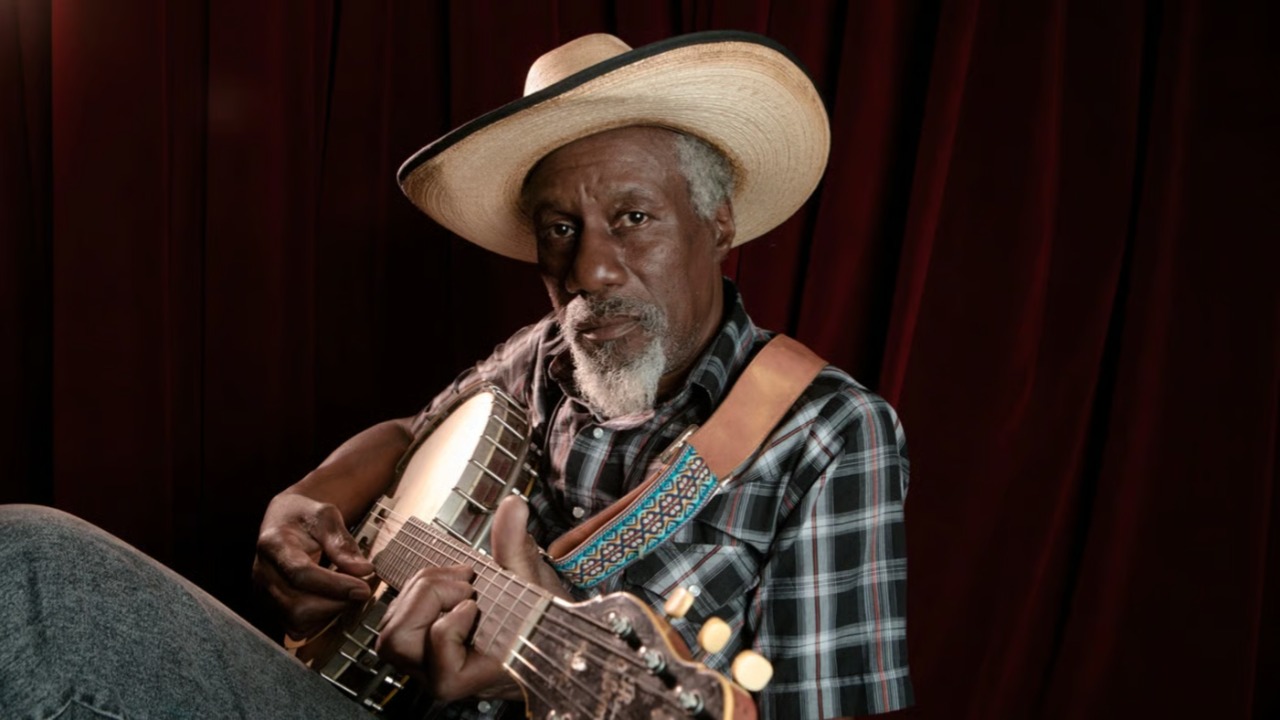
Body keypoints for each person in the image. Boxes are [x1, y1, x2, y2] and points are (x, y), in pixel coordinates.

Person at [0, 31, 911, 720]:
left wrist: (530, 683)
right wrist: (303, 503)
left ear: (720, 226)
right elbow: (411, 435)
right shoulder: (549, 353)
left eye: (631, 218)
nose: (589, 271)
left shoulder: (828, 435)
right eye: (560, 229)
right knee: (26, 558)